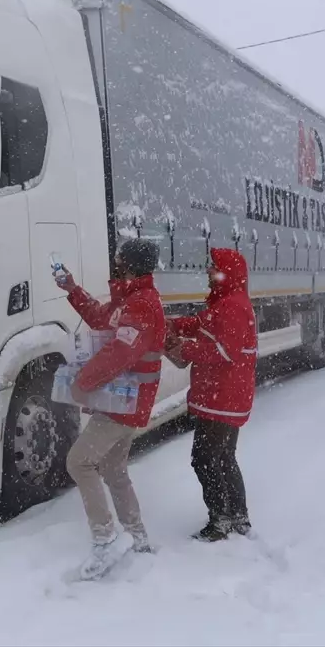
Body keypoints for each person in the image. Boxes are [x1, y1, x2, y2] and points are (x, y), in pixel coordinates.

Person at [54, 238, 165, 578]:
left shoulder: (143, 303)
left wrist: (83, 381)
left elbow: (121, 351)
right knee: (114, 469)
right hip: (121, 397)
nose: (114, 262)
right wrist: (72, 288)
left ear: (129, 264)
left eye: (119, 259)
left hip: (124, 402)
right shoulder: (129, 298)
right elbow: (100, 319)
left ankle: (105, 539)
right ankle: (137, 535)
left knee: (79, 462)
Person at [165, 247, 258, 542]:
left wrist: (185, 348)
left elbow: (223, 350)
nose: (208, 271)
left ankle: (220, 520)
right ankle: (238, 515)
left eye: (214, 267)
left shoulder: (231, 306)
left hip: (221, 399)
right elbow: (204, 322)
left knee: (204, 459)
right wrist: (178, 325)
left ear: (227, 273)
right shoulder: (228, 302)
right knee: (224, 457)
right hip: (226, 397)